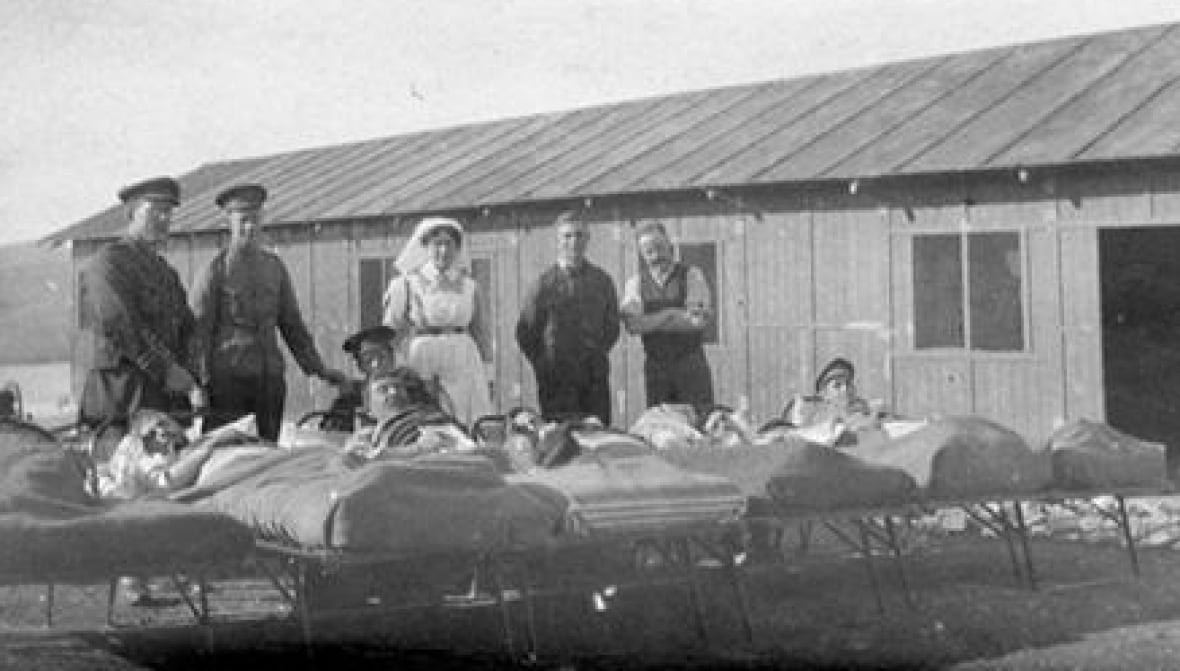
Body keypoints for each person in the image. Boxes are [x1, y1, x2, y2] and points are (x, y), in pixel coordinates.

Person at [189, 183, 345, 441]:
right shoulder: (214, 271)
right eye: (243, 220)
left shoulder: (274, 268)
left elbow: (292, 326)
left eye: (255, 220)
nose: (250, 227)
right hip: (228, 380)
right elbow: (198, 334)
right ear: (229, 223)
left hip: (269, 379)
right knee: (228, 453)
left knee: (268, 452)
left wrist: (318, 369)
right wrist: (198, 385)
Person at [77, 177, 200, 434]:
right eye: (155, 211)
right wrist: (166, 370)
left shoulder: (166, 273)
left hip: (161, 398)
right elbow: (120, 324)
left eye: (168, 212)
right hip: (120, 397)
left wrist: (189, 373)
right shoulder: (107, 265)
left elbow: (188, 326)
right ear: (132, 213)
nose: (164, 219)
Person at [382, 217, 492, 428]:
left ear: (458, 248)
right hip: (423, 359)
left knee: (465, 419)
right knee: (427, 418)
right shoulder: (407, 285)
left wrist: (487, 371)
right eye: (437, 244)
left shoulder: (470, 287)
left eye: (449, 244)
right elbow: (390, 332)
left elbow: (480, 332)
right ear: (425, 247)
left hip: (463, 362)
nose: (443, 251)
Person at [516, 212, 621, 425]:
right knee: (561, 442)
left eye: (580, 235)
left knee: (598, 437)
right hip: (557, 380)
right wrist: (545, 365)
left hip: (593, 377)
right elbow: (525, 333)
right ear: (557, 240)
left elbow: (612, 328)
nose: (574, 242)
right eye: (567, 236)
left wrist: (593, 354)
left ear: (588, 239)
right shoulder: (543, 285)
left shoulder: (602, 281)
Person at [619, 221, 714, 415]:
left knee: (699, 424)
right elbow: (634, 326)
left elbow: (696, 322)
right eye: (649, 251)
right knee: (661, 428)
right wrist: (671, 314)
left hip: (691, 364)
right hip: (657, 368)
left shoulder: (692, 275)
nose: (656, 255)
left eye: (660, 248)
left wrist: (651, 321)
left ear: (670, 247)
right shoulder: (635, 283)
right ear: (642, 255)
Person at [320, 325, 401, 432]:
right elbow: (333, 438)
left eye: (381, 356)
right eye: (369, 359)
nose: (377, 364)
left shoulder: (409, 391)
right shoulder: (348, 401)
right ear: (360, 366)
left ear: (391, 357)